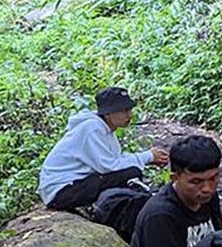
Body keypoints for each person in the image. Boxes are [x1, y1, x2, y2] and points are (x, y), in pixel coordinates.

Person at [38, 86, 168, 210]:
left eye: (129, 109)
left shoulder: (105, 129)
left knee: (129, 173)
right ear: (107, 113)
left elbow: (114, 160)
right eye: (123, 110)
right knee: (130, 173)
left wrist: (147, 158)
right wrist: (148, 156)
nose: (129, 115)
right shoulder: (92, 129)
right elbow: (108, 166)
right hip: (60, 191)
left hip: (71, 186)